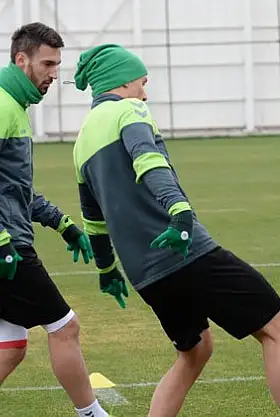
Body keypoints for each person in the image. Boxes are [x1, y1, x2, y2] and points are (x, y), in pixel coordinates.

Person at [71, 44, 280, 417]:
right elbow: (149, 161)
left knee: (195, 351)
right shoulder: (129, 110)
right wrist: (180, 213)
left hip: (144, 274)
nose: (145, 94)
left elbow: (93, 220)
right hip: (183, 251)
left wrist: (106, 269)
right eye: (142, 83)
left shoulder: (82, 140)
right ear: (123, 81)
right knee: (279, 328)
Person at [0, 22, 109, 417]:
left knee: (11, 345)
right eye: (47, 64)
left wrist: (61, 223)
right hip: (8, 248)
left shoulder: (14, 107)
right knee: (65, 326)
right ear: (21, 60)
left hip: (10, 242)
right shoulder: (2, 106)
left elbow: (15, 189)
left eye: (57, 65)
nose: (53, 74)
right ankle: (91, 414)